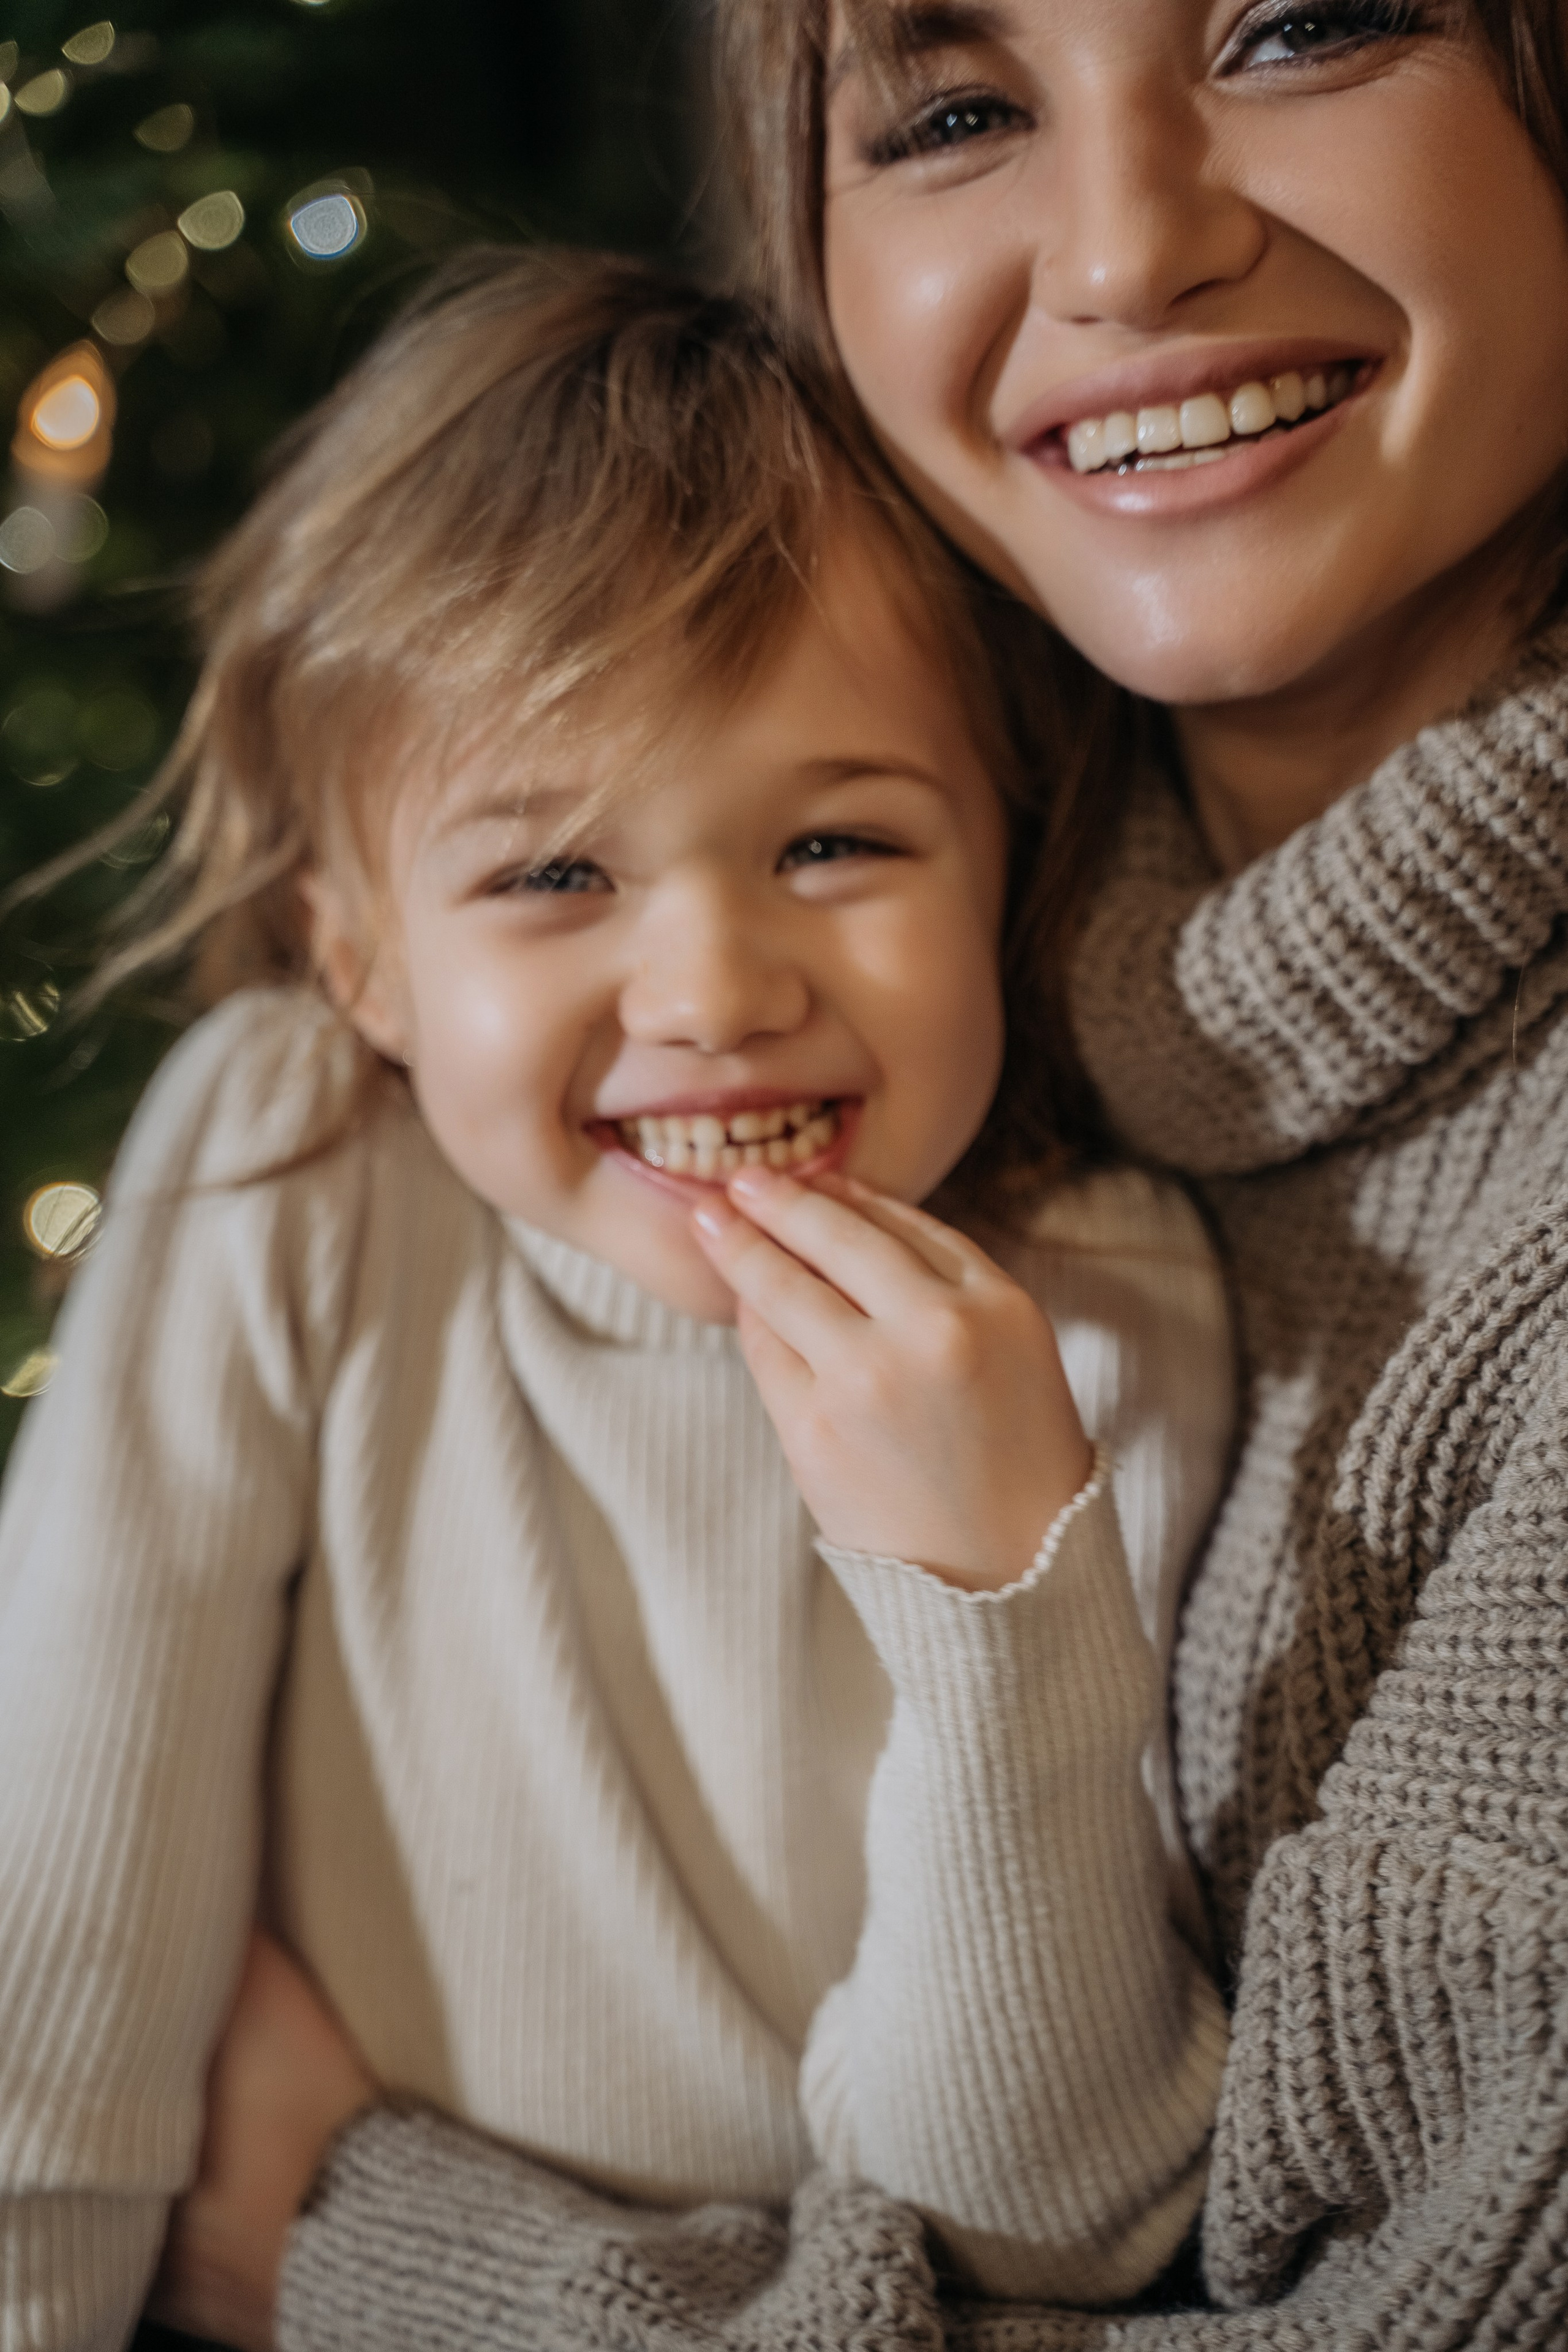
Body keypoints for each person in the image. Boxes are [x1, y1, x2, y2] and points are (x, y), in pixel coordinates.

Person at [154, 4, 1568, 2348]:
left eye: (1309, 23)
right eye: (954, 111)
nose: (1128, 249)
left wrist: (356, 2249)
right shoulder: (822, 984)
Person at [0, 250, 1238, 2352]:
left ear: (1006, 863)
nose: (718, 996)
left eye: (839, 843)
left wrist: (995, 1596)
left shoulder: (1106, 1316)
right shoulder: (298, 1160)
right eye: (554, 875)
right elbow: (56, 1922)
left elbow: (1034, 2228)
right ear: (364, 955)